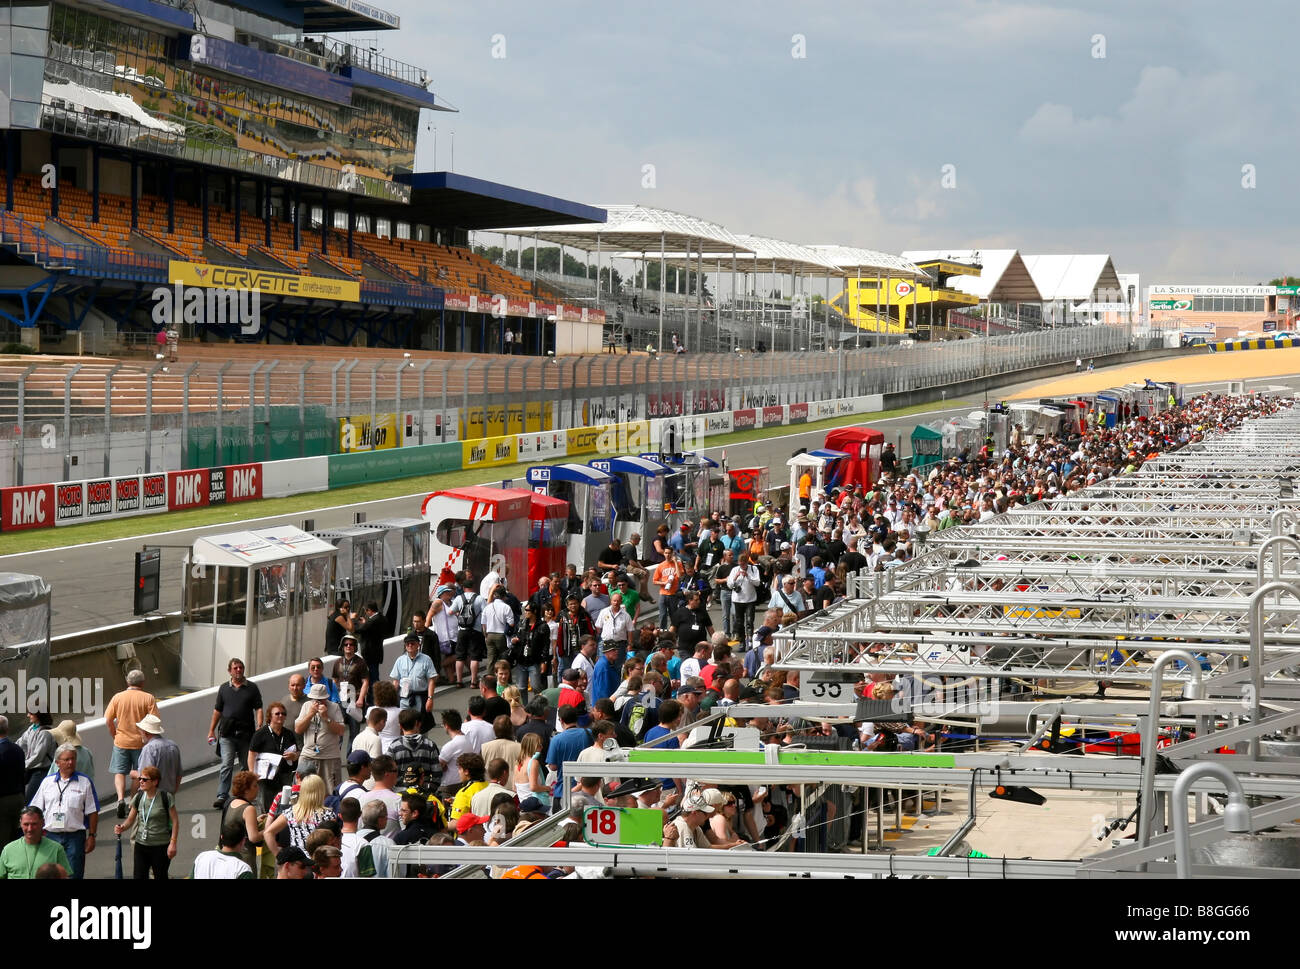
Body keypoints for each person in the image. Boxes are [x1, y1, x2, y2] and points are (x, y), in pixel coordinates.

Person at [27, 744, 99, 879]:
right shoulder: (47, 782)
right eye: (66, 759)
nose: (70, 762)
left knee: (74, 874)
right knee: (50, 874)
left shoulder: (85, 782)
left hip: (75, 837)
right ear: (57, 762)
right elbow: (35, 809)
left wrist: (92, 835)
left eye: (73, 759)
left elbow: (93, 811)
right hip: (50, 836)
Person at [208, 658, 263, 810]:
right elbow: (217, 710)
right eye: (235, 668)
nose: (238, 670)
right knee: (227, 764)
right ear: (230, 671)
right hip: (227, 734)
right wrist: (211, 730)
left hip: (246, 734)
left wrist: (260, 725)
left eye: (240, 667)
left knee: (246, 766)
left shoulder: (252, 688)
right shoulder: (224, 688)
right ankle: (222, 795)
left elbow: (258, 708)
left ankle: (245, 794)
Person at [103, 669, 159, 811]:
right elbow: (155, 720)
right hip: (141, 742)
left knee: (120, 772)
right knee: (138, 774)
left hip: (121, 741)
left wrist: (115, 734)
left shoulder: (117, 697)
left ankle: (120, 798)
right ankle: (132, 802)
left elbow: (108, 719)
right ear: (143, 682)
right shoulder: (148, 698)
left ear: (127, 681)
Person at [112, 765, 178, 879]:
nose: (141, 781)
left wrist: (173, 843)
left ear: (155, 782)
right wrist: (122, 827)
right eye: (140, 779)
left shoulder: (165, 797)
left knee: (160, 876)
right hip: (141, 845)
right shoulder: (139, 796)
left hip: (160, 846)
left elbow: (175, 821)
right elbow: (130, 820)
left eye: (145, 779)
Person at [248, 702, 299, 813]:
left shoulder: (289, 734)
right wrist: (252, 773)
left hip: (285, 775)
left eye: (283, 714)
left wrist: (294, 756)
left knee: (285, 805)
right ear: (270, 716)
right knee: (267, 806)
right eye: (277, 713)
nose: (281, 715)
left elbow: (297, 753)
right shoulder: (260, 734)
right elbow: (252, 753)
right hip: (267, 777)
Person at [264, 774, 337, 851]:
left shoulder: (291, 812)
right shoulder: (328, 815)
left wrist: (279, 856)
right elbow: (334, 840)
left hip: (297, 860)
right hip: (320, 859)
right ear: (321, 791)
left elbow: (268, 833)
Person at [295, 683, 345, 792]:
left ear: (326, 698)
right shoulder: (306, 706)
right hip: (308, 755)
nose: (317, 702)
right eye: (315, 699)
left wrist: (326, 717)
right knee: (303, 790)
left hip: (329, 756)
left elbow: (341, 731)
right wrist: (310, 714)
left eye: (321, 700)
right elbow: (298, 729)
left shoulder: (334, 707)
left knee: (330, 791)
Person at [0, 806, 71, 879]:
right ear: (20, 824)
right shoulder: (8, 850)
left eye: (34, 824)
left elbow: (65, 877)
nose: (30, 829)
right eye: (26, 824)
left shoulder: (56, 849)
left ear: (43, 823)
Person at [388, 708, 442, 793]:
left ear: (401, 726)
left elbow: (387, 773)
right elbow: (437, 774)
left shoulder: (394, 747)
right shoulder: (430, 745)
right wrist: (429, 790)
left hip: (400, 794)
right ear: (418, 724)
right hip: (423, 795)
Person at [219, 770, 263, 873]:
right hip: (244, 855)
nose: (258, 788)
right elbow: (254, 837)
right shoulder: (248, 809)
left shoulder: (231, 801)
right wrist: (270, 830)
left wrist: (254, 821)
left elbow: (236, 822)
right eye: (255, 786)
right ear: (246, 790)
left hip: (227, 852)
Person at [389, 633, 437, 716]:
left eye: (412, 643)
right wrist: (391, 698)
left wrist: (430, 699)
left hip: (420, 698)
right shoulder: (400, 660)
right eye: (407, 643)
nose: (410, 645)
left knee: (419, 725)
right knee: (404, 723)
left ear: (418, 644)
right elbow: (396, 681)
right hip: (403, 698)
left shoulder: (426, 659)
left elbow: (431, 680)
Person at [134, 714, 182, 797]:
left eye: (140, 731)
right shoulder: (173, 745)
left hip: (153, 796)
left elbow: (145, 775)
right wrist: (173, 792)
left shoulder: (149, 749)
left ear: (145, 732)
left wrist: (133, 773)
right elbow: (179, 774)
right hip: (169, 794)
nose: (140, 733)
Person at [511, 601, 550, 698]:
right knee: (521, 687)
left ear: (535, 611)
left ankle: (538, 708)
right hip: (521, 660)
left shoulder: (543, 626)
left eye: (527, 610)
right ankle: (525, 709)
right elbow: (515, 634)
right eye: (525, 610)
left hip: (534, 661)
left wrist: (544, 661)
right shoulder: (521, 623)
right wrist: (514, 640)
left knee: (536, 687)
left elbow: (546, 645)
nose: (525, 612)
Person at [451, 583, 486, 688]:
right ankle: (473, 682)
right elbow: (485, 612)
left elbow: (450, 611)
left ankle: (459, 681)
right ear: (474, 588)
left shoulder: (458, 598)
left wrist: (459, 614)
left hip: (462, 630)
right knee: (474, 657)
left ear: (463, 588)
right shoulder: (479, 598)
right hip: (476, 630)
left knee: (460, 657)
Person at [727, 552, 761, 647]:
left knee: (750, 621)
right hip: (738, 600)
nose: (742, 566)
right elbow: (729, 585)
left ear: (747, 562)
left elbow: (757, 583)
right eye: (740, 564)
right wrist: (735, 577)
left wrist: (748, 576)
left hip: (750, 600)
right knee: (739, 622)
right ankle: (742, 642)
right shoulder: (734, 570)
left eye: (744, 564)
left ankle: (750, 641)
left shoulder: (753, 569)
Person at [0, 716, 24, 844]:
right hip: (18, 798)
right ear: (7, 729)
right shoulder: (18, 749)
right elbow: (22, 774)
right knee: (16, 837)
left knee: (3, 840)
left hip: (2, 801)